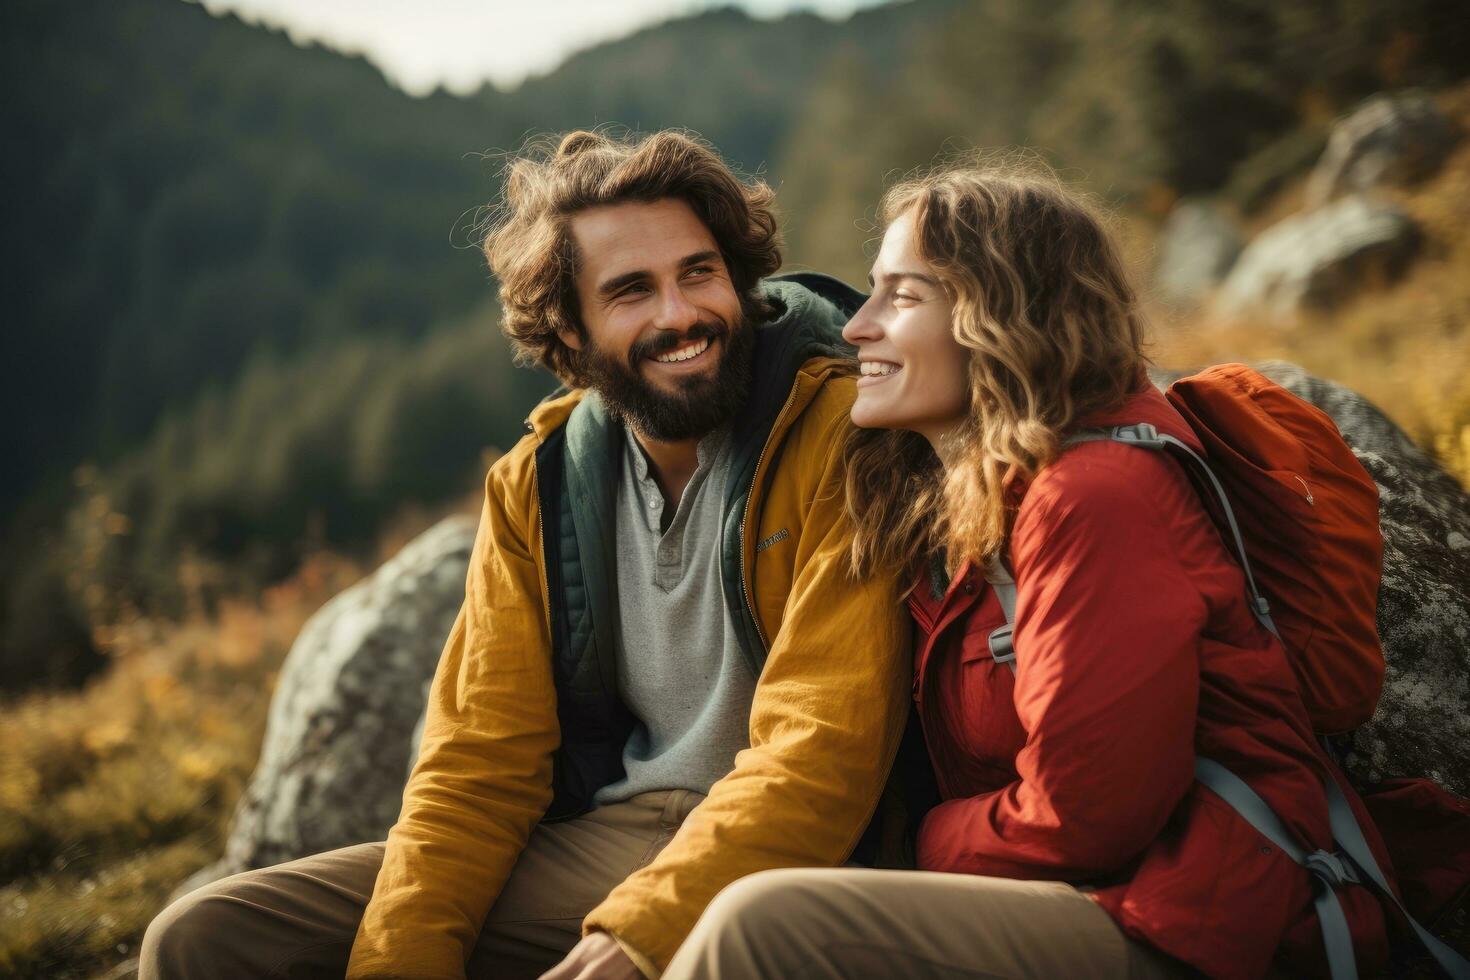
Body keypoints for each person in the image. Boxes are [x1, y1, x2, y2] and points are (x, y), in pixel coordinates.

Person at [139, 130, 910, 980]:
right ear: (570, 336)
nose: (679, 314)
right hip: (604, 839)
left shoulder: (843, 432)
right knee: (204, 937)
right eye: (629, 292)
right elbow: (476, 764)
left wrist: (635, 939)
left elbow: (824, 749)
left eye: (699, 271)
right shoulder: (535, 485)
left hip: (790, 850)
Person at [661, 160, 1401, 979]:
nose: (858, 327)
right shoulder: (963, 505)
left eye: (902, 298)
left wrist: (921, 841)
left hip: (1201, 923)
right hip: (1089, 896)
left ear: (1002, 316)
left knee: (766, 926)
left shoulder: (1093, 497)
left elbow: (1090, 813)